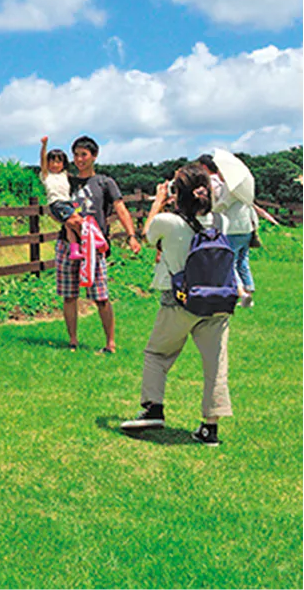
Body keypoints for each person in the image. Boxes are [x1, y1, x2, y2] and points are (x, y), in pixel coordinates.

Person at [120, 164, 233, 446]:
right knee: (215, 365)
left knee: (157, 353)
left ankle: (153, 408)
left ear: (178, 193)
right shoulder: (221, 222)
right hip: (218, 302)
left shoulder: (168, 222)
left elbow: (148, 235)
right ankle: (210, 428)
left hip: (179, 302)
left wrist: (158, 201)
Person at [56, 135, 141, 353]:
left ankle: (110, 342)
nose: (79, 159)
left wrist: (131, 235)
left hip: (95, 245)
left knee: (101, 296)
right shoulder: (67, 182)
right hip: (68, 244)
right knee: (69, 295)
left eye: (83, 154)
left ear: (94, 156)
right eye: (75, 155)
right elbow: (54, 203)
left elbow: (121, 208)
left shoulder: (105, 182)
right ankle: (72, 340)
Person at [198, 154, 259, 308]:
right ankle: (249, 292)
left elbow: (223, 204)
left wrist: (209, 210)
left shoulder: (231, 188)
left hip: (233, 228)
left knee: (229, 261)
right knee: (242, 261)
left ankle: (242, 294)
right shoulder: (244, 188)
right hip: (247, 228)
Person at [39, 137, 82, 252]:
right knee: (78, 221)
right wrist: (44, 146)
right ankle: (86, 241)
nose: (55, 164)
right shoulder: (46, 175)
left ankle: (75, 250)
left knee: (70, 227)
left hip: (68, 203)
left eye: (58, 161)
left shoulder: (65, 175)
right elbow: (42, 159)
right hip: (57, 204)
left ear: (63, 164)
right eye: (52, 161)